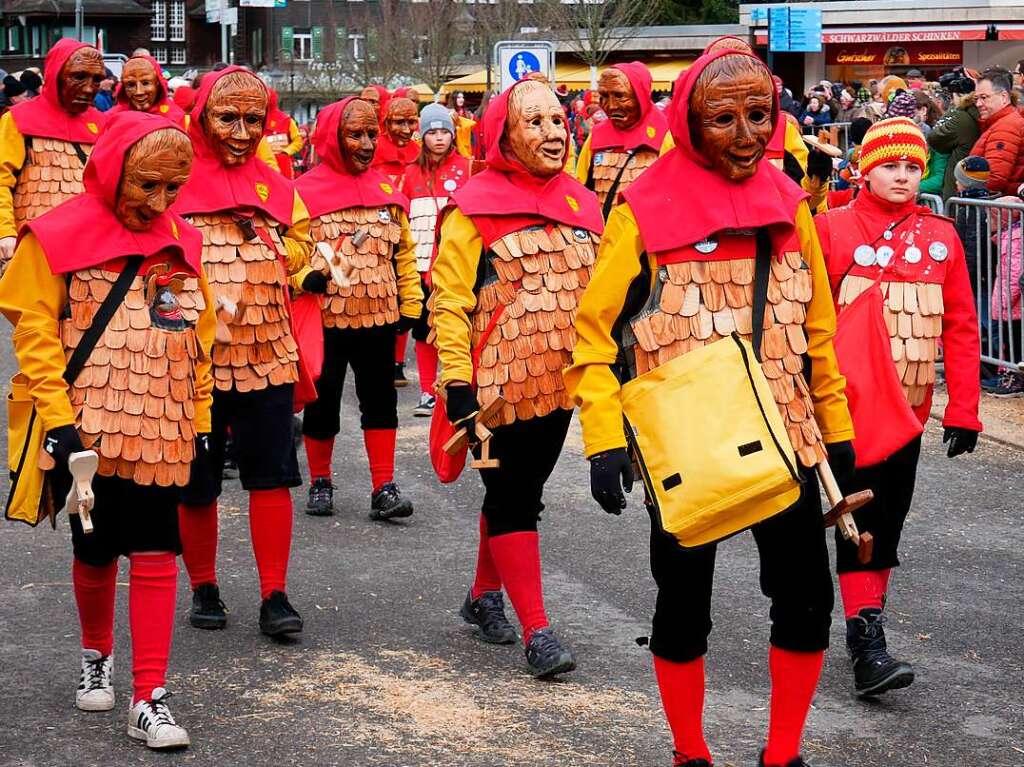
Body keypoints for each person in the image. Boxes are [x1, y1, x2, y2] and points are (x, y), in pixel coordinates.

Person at [566, 47, 854, 767]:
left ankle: (781, 754)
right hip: (683, 443)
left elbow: (819, 329)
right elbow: (593, 333)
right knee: (684, 603)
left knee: (807, 598)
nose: (749, 135)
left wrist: (839, 435)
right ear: (692, 121)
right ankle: (690, 753)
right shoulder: (640, 212)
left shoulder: (792, 203)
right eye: (725, 119)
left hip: (787, 436)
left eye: (760, 115)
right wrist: (603, 440)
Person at [0, 111, 213, 750]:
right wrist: (59, 424)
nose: (160, 202)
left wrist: (199, 422)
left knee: (155, 549)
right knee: (94, 550)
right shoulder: (55, 235)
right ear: (114, 169)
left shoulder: (181, 239)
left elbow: (193, 339)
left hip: (161, 422)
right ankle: (96, 654)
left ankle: (149, 696)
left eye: (174, 189)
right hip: (86, 420)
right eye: (148, 185)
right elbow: (35, 333)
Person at [432, 78, 602, 678]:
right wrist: (455, 383)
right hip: (493, 390)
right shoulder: (471, 210)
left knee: (520, 490)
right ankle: (537, 630)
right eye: (536, 122)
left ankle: (482, 595)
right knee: (512, 497)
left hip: (558, 387)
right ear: (504, 133)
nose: (554, 133)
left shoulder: (584, 203)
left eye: (559, 121)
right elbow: (449, 302)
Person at [815, 117, 981, 697]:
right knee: (844, 518)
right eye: (892, 165)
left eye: (913, 166)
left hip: (907, 410)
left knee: (887, 519)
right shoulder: (830, 228)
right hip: (840, 409)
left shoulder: (943, 235)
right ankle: (850, 635)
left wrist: (964, 407)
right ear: (865, 167)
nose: (904, 176)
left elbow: (961, 325)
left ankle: (867, 633)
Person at [174, 66, 318, 638]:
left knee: (272, 475)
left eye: (252, 119)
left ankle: (274, 593)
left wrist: (314, 271)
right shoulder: (173, 180)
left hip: (267, 353)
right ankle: (204, 585)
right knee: (198, 480)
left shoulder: (279, 187)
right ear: (202, 118)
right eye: (227, 117)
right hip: (194, 360)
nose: (240, 129)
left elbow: (301, 248)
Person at [294, 97, 422, 519]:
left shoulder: (387, 189)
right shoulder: (303, 193)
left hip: (378, 318)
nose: (368, 143)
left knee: (380, 401)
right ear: (334, 137)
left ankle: (383, 486)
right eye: (356, 134)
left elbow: (404, 252)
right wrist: (304, 277)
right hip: (325, 320)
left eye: (372, 134)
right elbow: (290, 254)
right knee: (323, 401)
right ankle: (320, 481)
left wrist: (411, 301)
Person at [0, 39, 106, 273]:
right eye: (79, 76)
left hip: (91, 250)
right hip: (33, 248)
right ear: (56, 74)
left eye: (97, 79)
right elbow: (1, 180)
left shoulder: (104, 124)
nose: (89, 88)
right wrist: (5, 232)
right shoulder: (18, 119)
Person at [400, 102, 471, 417]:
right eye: (433, 132)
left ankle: (461, 386)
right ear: (422, 136)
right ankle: (428, 392)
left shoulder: (468, 168)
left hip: (455, 265)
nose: (439, 138)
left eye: (445, 131)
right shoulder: (409, 173)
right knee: (423, 333)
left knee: (458, 327)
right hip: (419, 263)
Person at [575, 62, 672, 216]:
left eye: (620, 96)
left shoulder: (666, 135)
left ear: (640, 96)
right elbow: (580, 190)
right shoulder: (596, 136)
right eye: (604, 96)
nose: (611, 106)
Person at [970, 69, 1024, 196]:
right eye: (976, 98)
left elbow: (995, 178)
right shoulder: (1000, 124)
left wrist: (966, 185)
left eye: (984, 97)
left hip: (1000, 207)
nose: (978, 104)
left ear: (1004, 97)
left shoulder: (1006, 126)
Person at [928, 78, 980, 200]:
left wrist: (950, 114)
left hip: (958, 183)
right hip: (969, 179)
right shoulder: (974, 114)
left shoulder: (960, 116)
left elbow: (934, 138)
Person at [109, 54, 185, 126]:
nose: (139, 92)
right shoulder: (111, 119)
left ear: (157, 83)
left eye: (145, 83)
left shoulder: (176, 117)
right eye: (131, 85)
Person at [264, 88, 303, 178]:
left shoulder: (287, 120)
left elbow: (298, 141)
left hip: (283, 163)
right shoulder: (256, 120)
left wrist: (286, 152)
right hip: (262, 163)